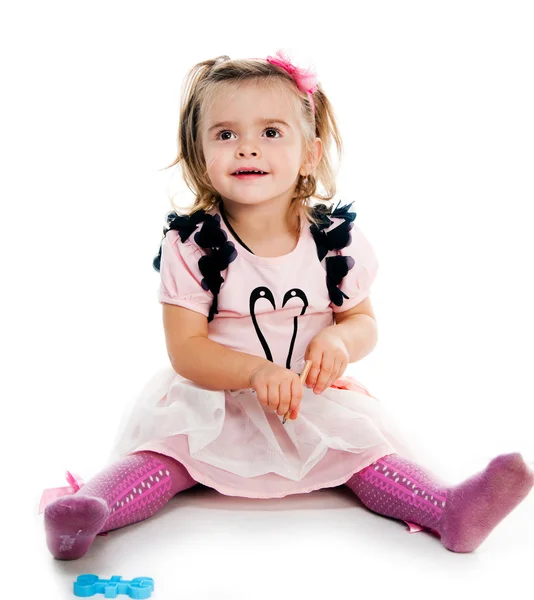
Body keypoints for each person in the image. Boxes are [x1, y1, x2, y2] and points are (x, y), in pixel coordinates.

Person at [42, 50, 534, 560]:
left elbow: (363, 321)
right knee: (164, 456)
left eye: (271, 132)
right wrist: (255, 373)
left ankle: (447, 509)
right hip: (216, 399)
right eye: (225, 134)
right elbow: (186, 350)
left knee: (364, 452)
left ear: (309, 153)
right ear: (199, 152)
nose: (247, 148)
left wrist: (339, 339)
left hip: (308, 398)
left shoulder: (333, 243)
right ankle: (90, 509)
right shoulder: (192, 246)